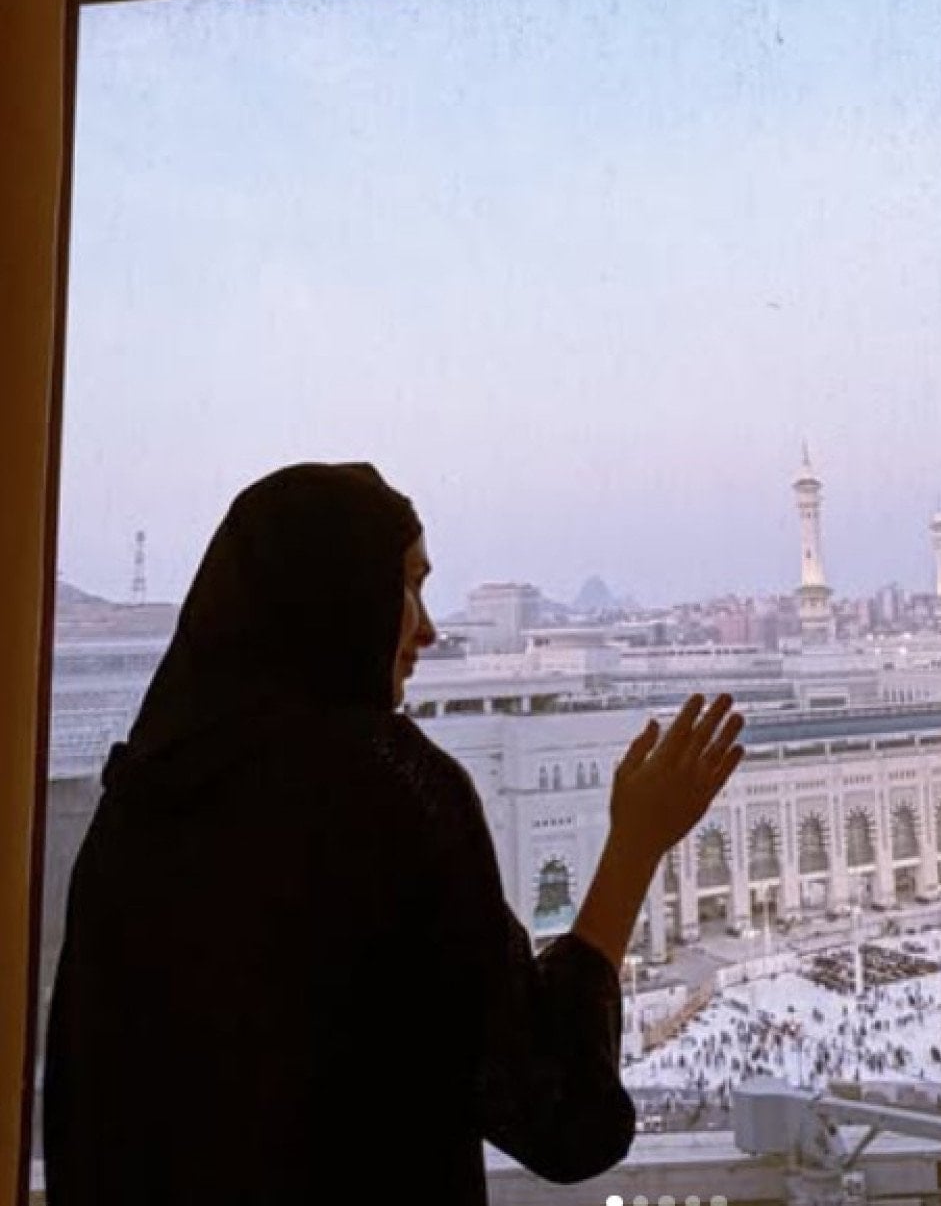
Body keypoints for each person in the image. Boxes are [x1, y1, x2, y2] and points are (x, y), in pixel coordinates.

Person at [44, 462, 744, 1205]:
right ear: (340, 594)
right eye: (407, 585)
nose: (428, 629)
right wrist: (635, 845)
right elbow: (562, 1112)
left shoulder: (139, 804)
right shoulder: (388, 791)